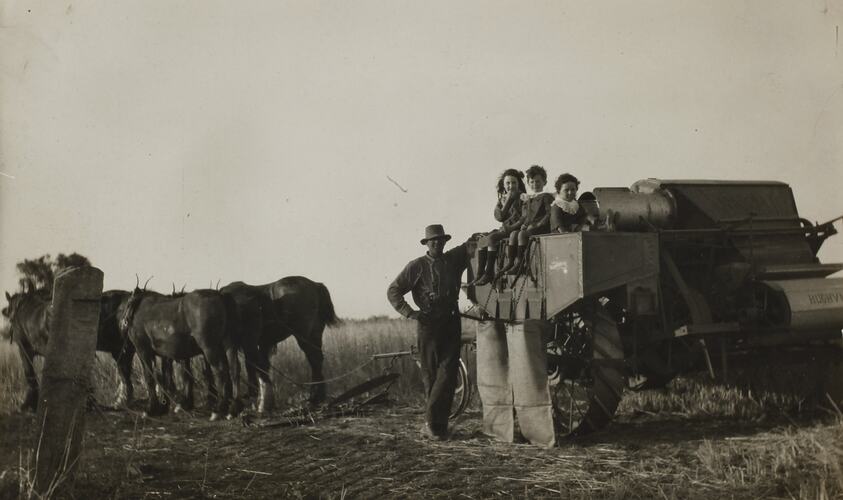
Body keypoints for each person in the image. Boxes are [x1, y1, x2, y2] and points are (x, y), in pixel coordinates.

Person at [387, 224, 471, 440]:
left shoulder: (453, 260)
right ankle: (434, 425)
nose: (437, 244)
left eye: (440, 240)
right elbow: (394, 290)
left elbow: (470, 244)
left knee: (448, 374)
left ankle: (437, 425)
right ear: (426, 243)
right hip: (429, 324)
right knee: (431, 374)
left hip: (452, 321)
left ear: (445, 242)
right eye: (433, 241)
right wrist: (411, 313)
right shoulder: (416, 266)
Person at [470, 169, 527, 286]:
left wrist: (511, 228)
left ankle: (489, 272)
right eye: (508, 183)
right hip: (504, 228)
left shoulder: (523, 197)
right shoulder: (502, 199)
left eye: (514, 183)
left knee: (492, 239)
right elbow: (499, 217)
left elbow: (524, 217)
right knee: (482, 241)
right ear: (503, 185)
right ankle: (480, 273)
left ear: (519, 184)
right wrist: (507, 201)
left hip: (515, 229)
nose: (511, 186)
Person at [499, 165, 554, 276]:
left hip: (542, 226)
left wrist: (538, 224)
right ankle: (511, 262)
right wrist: (524, 224)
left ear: (545, 182)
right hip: (531, 226)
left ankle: (520, 263)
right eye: (532, 182)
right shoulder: (529, 198)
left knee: (522, 235)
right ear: (528, 183)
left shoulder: (546, 197)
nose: (535, 185)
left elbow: (549, 214)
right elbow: (526, 216)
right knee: (514, 233)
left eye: (538, 182)